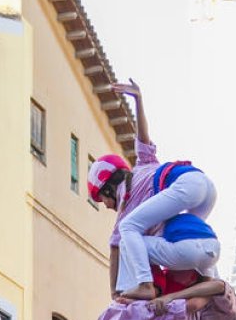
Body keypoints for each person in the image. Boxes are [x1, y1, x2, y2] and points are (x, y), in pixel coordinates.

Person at [86, 80, 219, 301]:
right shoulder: (144, 165)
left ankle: (146, 285)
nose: (107, 206)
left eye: (103, 200)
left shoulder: (126, 212)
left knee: (130, 229)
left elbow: (116, 250)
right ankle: (209, 281)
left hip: (186, 186)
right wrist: (138, 99)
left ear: (108, 187)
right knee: (187, 233)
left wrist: (114, 294)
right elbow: (143, 139)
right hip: (205, 187)